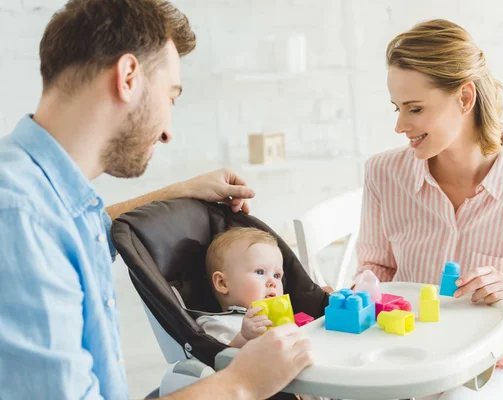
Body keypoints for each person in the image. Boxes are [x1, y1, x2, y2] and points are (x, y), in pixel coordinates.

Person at [0, 1, 312, 399]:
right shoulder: (19, 218)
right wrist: (242, 383)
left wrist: (180, 191)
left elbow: (85, 230)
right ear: (128, 77)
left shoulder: (38, 192)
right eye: (171, 96)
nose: (167, 132)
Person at [356, 19, 503, 400]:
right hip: (405, 358)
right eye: (397, 108)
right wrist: (359, 292)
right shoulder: (384, 174)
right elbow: (376, 269)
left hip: (502, 369)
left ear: (465, 98)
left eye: (415, 109)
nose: (400, 125)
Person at [198, 227, 285, 348]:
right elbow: (221, 358)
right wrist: (244, 338)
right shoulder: (215, 324)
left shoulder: (280, 316)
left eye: (277, 275)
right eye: (260, 272)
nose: (273, 282)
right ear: (223, 283)